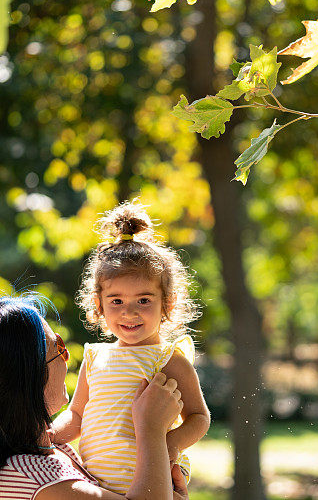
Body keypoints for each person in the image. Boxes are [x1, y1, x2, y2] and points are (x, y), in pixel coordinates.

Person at [0, 296, 188, 500]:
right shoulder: (35, 480)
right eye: (58, 348)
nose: (67, 358)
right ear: (25, 378)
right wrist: (151, 428)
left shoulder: (47, 450)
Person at [52, 201, 210, 494]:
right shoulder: (95, 356)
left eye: (144, 300)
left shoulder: (168, 359)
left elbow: (199, 417)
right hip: (97, 486)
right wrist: (50, 435)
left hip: (155, 482)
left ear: (168, 303)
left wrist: (170, 444)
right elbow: (76, 414)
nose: (129, 312)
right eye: (116, 301)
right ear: (98, 305)